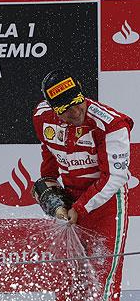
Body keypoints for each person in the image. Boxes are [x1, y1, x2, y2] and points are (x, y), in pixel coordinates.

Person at [33, 69, 133, 301]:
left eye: (78, 102)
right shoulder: (42, 117)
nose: (75, 111)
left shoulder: (111, 124)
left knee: (102, 279)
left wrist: (80, 208)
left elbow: (114, 178)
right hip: (69, 200)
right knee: (69, 279)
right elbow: (49, 155)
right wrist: (48, 187)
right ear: (53, 109)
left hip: (106, 205)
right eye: (65, 109)